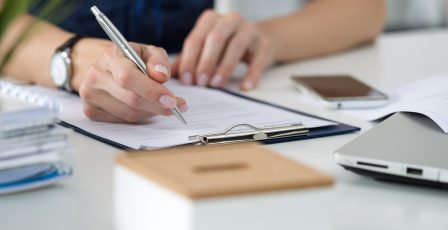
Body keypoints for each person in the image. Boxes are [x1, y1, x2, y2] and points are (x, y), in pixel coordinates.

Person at [0, 0, 386, 123]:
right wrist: (71, 60)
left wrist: (265, 38)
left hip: (200, 90)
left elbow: (366, 9)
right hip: (44, 116)